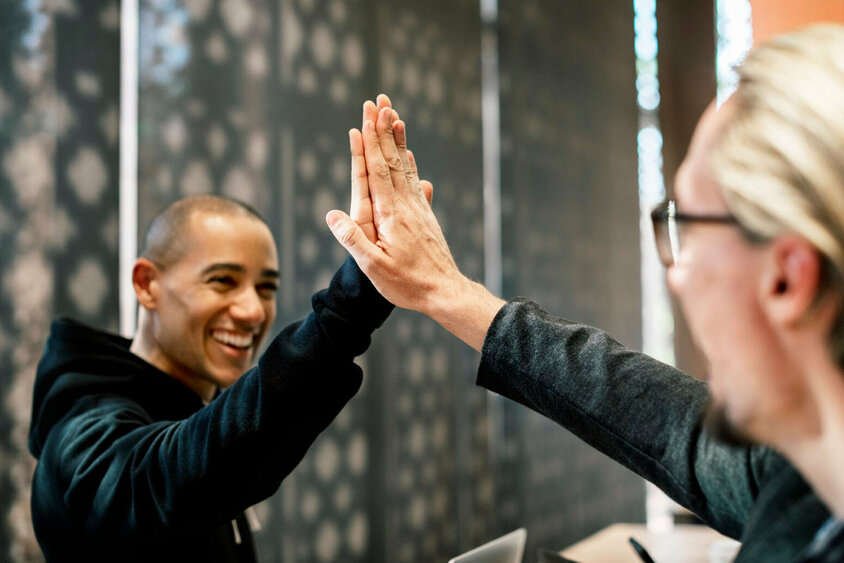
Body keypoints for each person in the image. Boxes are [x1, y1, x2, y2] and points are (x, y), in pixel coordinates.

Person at [326, 24, 844, 561]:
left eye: (685, 226)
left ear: (787, 279)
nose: (675, 273)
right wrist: (446, 292)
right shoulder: (806, 475)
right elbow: (664, 422)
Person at [27, 106, 408, 563]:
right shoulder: (80, 433)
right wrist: (348, 308)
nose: (252, 311)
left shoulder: (194, 407)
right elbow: (170, 477)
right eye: (222, 281)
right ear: (147, 284)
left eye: (266, 288)